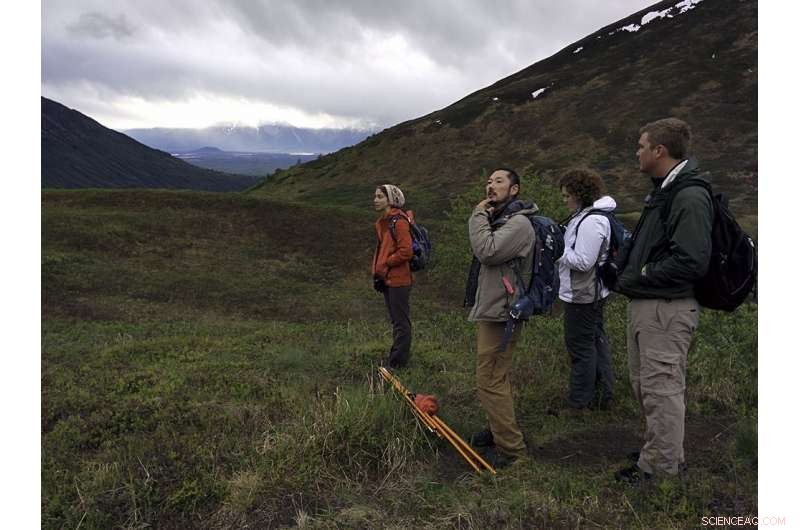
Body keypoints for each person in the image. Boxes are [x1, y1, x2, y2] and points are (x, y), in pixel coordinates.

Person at [614, 118, 713, 483]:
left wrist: (640, 276)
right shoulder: (666, 192)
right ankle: (659, 452)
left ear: (659, 150)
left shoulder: (688, 195)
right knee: (648, 387)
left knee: (662, 388)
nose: (636, 153)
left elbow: (691, 259)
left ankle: (662, 471)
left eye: (641, 146)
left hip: (666, 307)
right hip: (652, 305)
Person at [464, 168, 537, 468]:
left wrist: (477, 215)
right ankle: (499, 431)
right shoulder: (504, 219)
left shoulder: (519, 223)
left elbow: (487, 250)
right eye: (489, 181)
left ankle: (512, 451)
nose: (490, 186)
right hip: (495, 308)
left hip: (503, 313)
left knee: (490, 378)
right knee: (495, 375)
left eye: (498, 181)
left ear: (515, 189)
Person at [556, 169, 616, 414]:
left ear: (579, 194)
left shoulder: (592, 221)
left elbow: (583, 261)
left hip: (583, 295)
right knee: (594, 342)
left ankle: (579, 403)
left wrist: (557, 248)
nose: (564, 200)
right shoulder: (587, 217)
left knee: (581, 346)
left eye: (566, 195)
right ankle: (602, 396)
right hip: (589, 292)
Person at [372, 184, 414, 369]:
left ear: (391, 200)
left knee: (401, 323)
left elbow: (406, 251)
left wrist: (386, 263)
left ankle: (397, 364)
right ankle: (396, 359)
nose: (375, 200)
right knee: (397, 321)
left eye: (380, 196)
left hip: (398, 279)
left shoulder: (399, 222)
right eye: (375, 196)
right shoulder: (385, 222)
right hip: (387, 278)